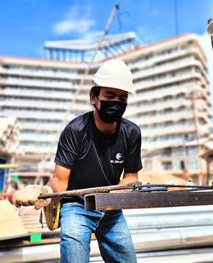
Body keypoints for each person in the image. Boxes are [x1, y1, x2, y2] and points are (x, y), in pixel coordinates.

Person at [13, 58, 142, 263]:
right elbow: (60, 181)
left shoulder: (132, 133)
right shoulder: (75, 131)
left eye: (122, 98)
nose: (116, 103)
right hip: (76, 207)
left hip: (111, 208)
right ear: (94, 97)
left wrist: (121, 190)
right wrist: (45, 192)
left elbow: (131, 177)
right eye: (109, 95)